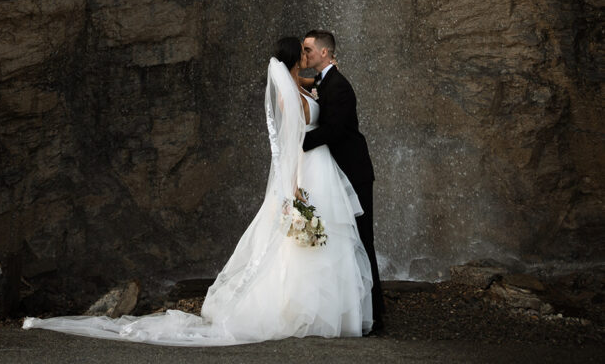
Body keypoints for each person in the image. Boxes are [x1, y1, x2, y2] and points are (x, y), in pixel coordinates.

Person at [23, 36, 372, 344]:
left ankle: (323, 309)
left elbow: (317, 108)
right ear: (297, 57)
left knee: (317, 242)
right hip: (306, 172)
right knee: (299, 243)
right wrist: (293, 189)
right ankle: (301, 309)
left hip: (320, 170)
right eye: (304, 51)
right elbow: (292, 143)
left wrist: (322, 82)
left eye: (312, 50)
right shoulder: (290, 95)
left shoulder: (304, 87)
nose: (308, 55)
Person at [302, 29, 385, 335]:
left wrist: (299, 141)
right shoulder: (326, 82)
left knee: (364, 241)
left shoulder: (339, 86)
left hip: (355, 173)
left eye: (309, 50)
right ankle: (350, 309)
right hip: (337, 176)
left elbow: (335, 130)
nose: (306, 55)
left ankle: (376, 316)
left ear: (325, 53)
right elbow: (313, 88)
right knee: (340, 242)